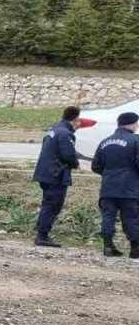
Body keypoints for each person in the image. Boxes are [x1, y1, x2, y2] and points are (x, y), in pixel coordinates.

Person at [32, 106, 84, 248]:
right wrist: (76, 163)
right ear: (76, 119)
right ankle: (42, 235)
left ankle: (41, 230)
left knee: (47, 203)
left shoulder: (53, 130)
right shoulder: (65, 133)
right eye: (79, 121)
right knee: (53, 205)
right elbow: (68, 155)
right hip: (56, 174)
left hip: (45, 173)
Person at [90, 112, 139, 260]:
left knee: (108, 217)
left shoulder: (105, 141)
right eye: (137, 123)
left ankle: (108, 246)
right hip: (129, 188)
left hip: (107, 188)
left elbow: (95, 166)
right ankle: (135, 249)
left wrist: (109, 174)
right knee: (131, 217)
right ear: (131, 123)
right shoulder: (135, 140)